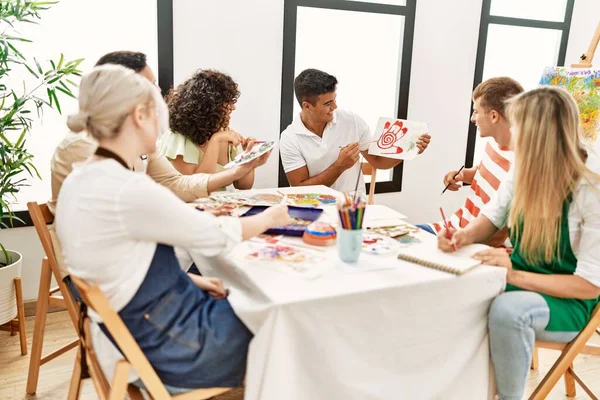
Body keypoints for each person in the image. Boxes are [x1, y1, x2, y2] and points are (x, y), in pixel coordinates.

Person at [55, 65, 292, 392]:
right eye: (157, 112)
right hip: (172, 348)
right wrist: (271, 217)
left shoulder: (81, 180)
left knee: (259, 302)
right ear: (140, 116)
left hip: (122, 338)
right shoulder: (128, 189)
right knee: (284, 320)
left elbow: (118, 263)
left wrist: (190, 278)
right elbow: (214, 236)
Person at [438, 87, 600, 400]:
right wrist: (462, 236)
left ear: (539, 133)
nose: (511, 132)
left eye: (518, 124)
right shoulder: (524, 167)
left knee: (509, 311)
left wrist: (512, 275)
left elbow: (590, 286)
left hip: (567, 302)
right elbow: (491, 218)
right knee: (453, 290)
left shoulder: (590, 189)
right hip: (520, 277)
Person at [50, 53, 267, 215]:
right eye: (147, 85)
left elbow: (177, 183)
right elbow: (126, 211)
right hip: (99, 270)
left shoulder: (132, 140)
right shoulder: (81, 146)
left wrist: (242, 168)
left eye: (154, 84)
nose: (157, 93)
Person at [279, 68, 431, 193]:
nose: (335, 107)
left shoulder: (352, 121)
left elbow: (378, 162)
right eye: (328, 103)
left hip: (353, 210)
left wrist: (409, 149)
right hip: (313, 211)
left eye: (335, 100)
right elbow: (299, 189)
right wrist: (340, 166)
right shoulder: (290, 138)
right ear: (307, 106)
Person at [416, 77, 523, 247]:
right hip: (450, 227)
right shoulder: (494, 144)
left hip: (468, 243)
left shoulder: (522, 164)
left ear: (494, 116)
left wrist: (461, 240)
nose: (473, 119)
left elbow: (496, 232)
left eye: (476, 112)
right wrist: (462, 175)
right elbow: (483, 173)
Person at [158, 69, 257, 190]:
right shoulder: (178, 138)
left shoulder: (225, 132)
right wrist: (215, 141)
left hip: (220, 206)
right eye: (227, 101)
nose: (233, 107)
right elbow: (194, 188)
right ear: (208, 106)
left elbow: (243, 186)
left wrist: (248, 156)